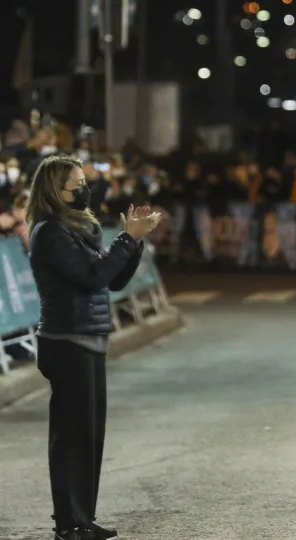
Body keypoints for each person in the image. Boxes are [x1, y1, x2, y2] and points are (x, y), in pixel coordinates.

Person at [26, 155, 162, 540]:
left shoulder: (75, 230)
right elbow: (91, 277)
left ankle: (81, 518)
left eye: (84, 180)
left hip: (87, 341)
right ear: (56, 190)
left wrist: (133, 245)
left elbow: (112, 282)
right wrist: (127, 238)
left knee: (88, 436)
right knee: (71, 437)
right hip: (66, 342)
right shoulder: (50, 232)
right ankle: (68, 523)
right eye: (77, 184)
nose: (85, 189)